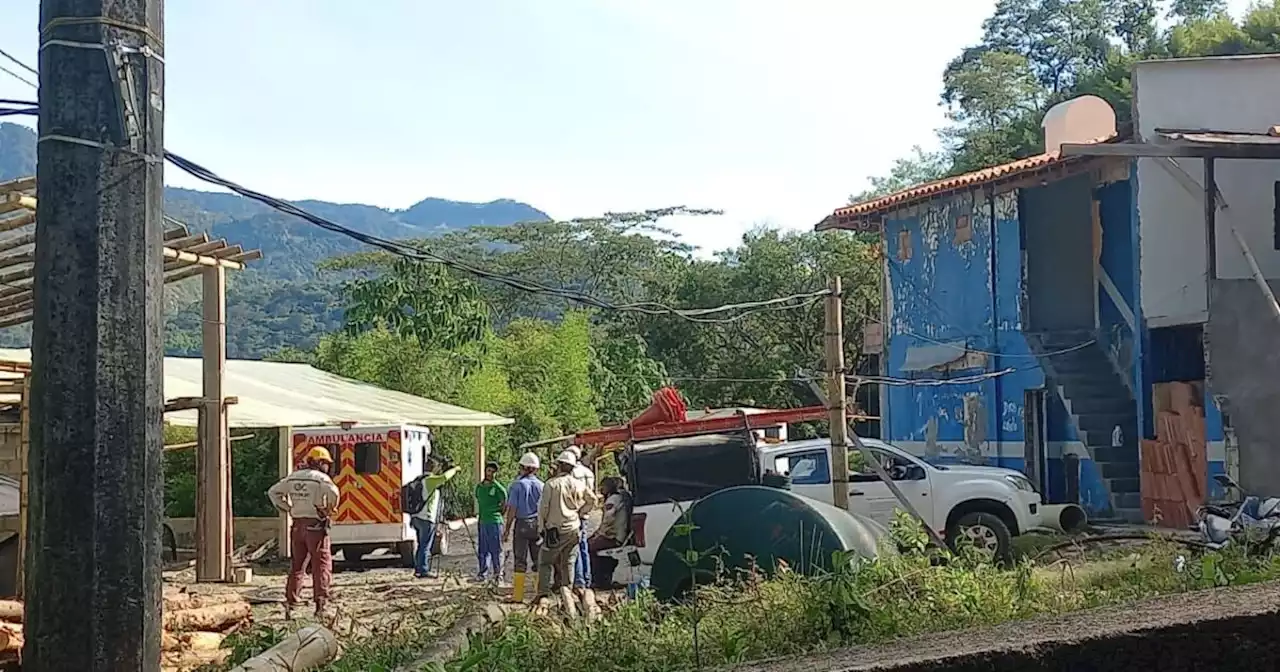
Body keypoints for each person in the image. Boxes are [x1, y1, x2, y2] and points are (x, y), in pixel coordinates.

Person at [267, 446, 340, 619]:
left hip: (297, 526)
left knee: (297, 566)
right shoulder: (321, 478)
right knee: (321, 565)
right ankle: (321, 605)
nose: (328, 467)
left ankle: (291, 604)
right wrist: (329, 508)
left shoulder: (293, 477)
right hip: (315, 526)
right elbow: (334, 492)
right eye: (326, 463)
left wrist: (287, 508)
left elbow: (273, 492)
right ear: (319, 462)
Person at [536, 450, 597, 600]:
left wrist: (541, 528)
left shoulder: (551, 484)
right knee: (568, 561)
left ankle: (543, 593)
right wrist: (581, 513)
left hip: (555, 530)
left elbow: (543, 508)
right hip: (574, 528)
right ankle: (567, 592)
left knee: (545, 562)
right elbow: (593, 500)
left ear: (561, 466)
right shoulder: (578, 483)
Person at [503, 451, 544, 602]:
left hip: (522, 524)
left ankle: (518, 595)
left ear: (522, 467)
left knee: (520, 560)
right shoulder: (541, 485)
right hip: (537, 525)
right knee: (537, 560)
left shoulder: (517, 485)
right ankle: (538, 594)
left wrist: (507, 529)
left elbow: (512, 509)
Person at [412, 455, 459, 579]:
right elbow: (444, 478)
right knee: (425, 545)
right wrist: (454, 470)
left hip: (416, 516)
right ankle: (423, 570)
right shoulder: (430, 480)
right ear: (433, 468)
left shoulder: (419, 479)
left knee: (421, 543)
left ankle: (418, 568)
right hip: (426, 518)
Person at [588, 476, 632, 590]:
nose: (600, 489)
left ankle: (598, 580)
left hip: (613, 536)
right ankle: (605, 577)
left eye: (602, 487)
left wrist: (597, 534)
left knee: (589, 548)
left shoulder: (612, 500)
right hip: (620, 534)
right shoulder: (620, 497)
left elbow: (608, 520)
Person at [566, 445, 596, 590]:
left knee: (574, 548)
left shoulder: (571, 474)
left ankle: (579, 581)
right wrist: (585, 510)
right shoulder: (588, 472)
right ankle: (587, 578)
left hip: (574, 514)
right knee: (584, 547)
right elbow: (592, 496)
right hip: (585, 514)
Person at [474, 460, 507, 583]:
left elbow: (504, 504)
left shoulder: (499, 488)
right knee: (483, 548)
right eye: (489, 471)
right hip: (483, 521)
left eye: (494, 472)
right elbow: (479, 499)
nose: (491, 474)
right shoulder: (479, 487)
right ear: (485, 471)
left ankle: (498, 574)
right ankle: (482, 573)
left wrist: (498, 513)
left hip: (495, 521)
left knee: (496, 549)